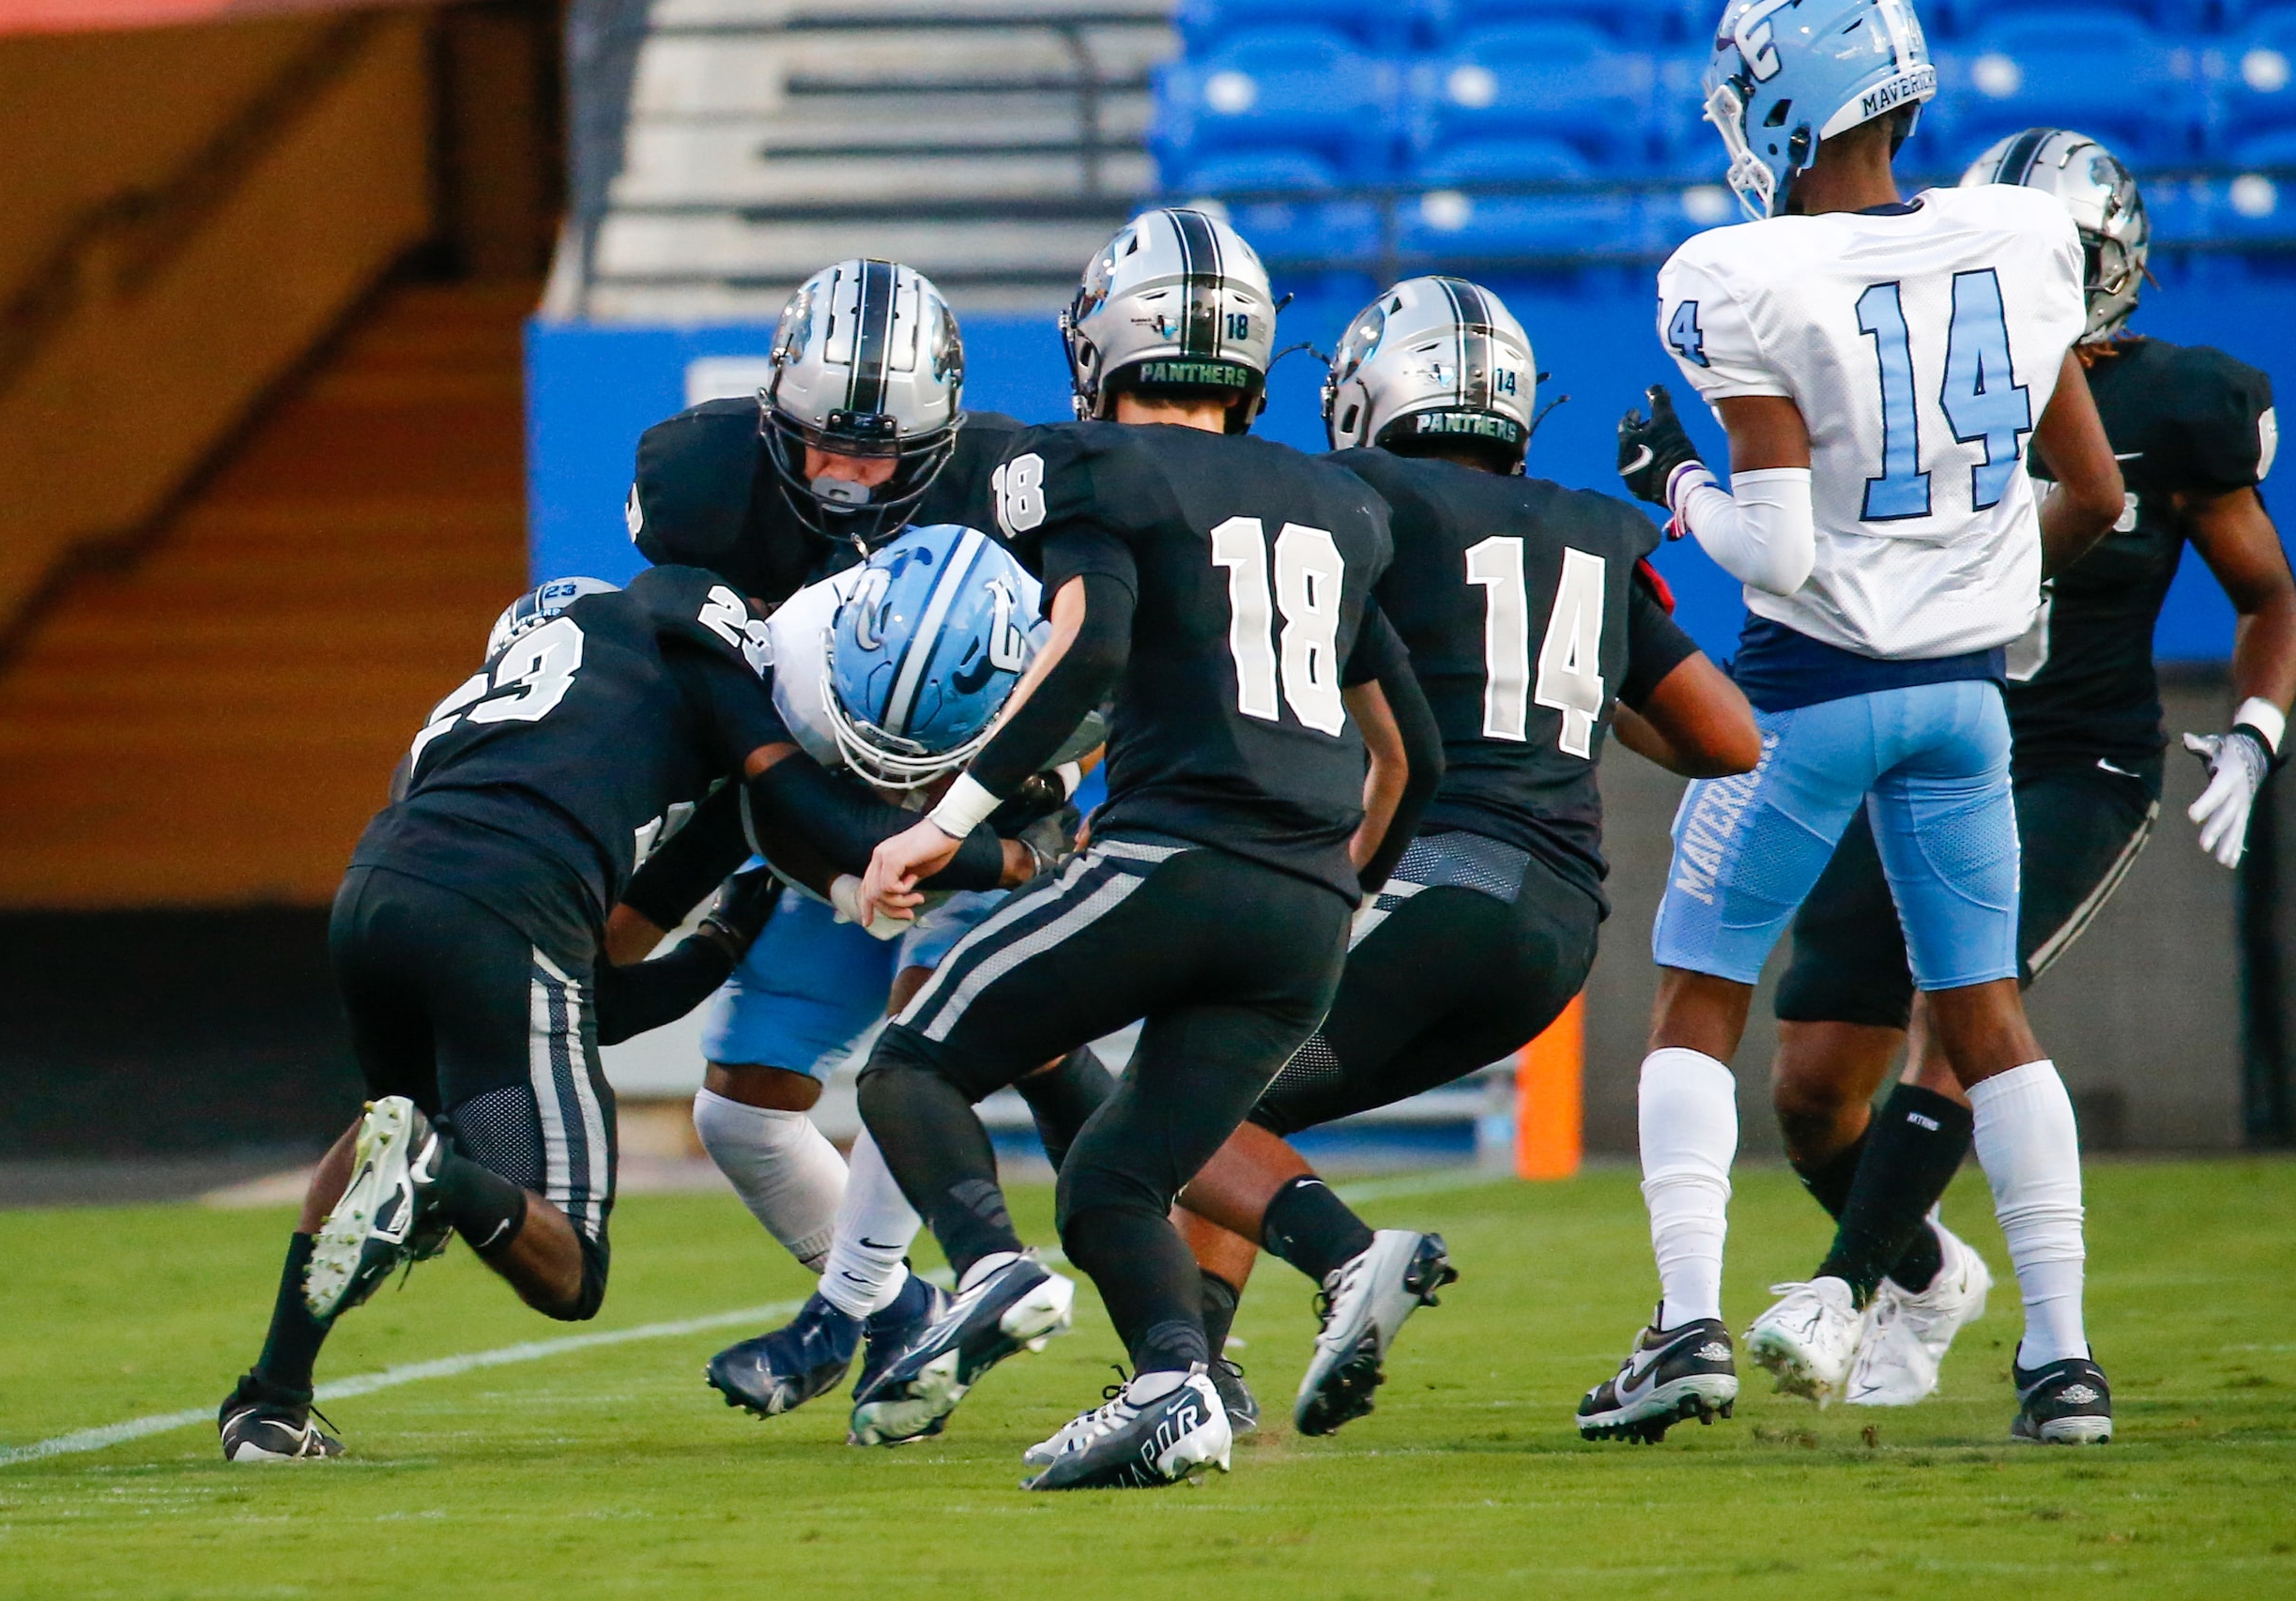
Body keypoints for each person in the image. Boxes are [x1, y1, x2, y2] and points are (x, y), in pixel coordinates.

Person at [1577, 0, 2129, 1448]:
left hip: (1806, 697)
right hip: (1965, 703)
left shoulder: (1738, 272)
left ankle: (1687, 1323)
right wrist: (1981, 583)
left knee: (1695, 1000)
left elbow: (1777, 542)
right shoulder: (2020, 235)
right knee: (1989, 1021)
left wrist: (1671, 487)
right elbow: (2085, 491)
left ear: (1778, 101)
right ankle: (2061, 1362)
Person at [847, 206, 1444, 1489]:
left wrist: (939, 822)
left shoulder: (1084, 463)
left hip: (1174, 859)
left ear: (1107, 339)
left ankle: (989, 1272)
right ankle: (1176, 1383)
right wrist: (1336, 896)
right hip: (1300, 906)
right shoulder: (1337, 498)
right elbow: (1410, 758)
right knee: (1115, 1172)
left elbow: (1091, 644)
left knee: (907, 1062)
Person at [214, 568, 1033, 1461]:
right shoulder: (717, 674)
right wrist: (1015, 858)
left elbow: (580, 998)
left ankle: (272, 1400)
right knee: (565, 1267)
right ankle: (435, 1176)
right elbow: (589, 979)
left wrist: (709, 952)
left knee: (396, 1128)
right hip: (506, 909)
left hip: (372, 896)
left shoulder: (491, 708)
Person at [1757, 128, 2296, 1410]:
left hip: (2073, 757)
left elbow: (2267, 599)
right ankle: (1925, 1272)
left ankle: (1897, 1310)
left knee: (1965, 1003)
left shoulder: (2172, 406)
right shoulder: (1912, 371)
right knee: (1805, 1092)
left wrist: (2254, 731)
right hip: (1913, 739)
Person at [1166, 277, 1761, 1440]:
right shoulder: (1587, 528)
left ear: (1370, 397)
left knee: (1167, 1097)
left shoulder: (1357, 499)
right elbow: (1724, 737)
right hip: (1553, 937)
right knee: (1236, 1094)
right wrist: (1578, 694)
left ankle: (1335, 1272)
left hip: (1442, 879)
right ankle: (1199, 1365)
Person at [684, 524, 1107, 1419]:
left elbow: (1065, 788)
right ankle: (902, 1310)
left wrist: (1016, 834)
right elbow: (772, 802)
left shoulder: (1067, 681)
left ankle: (841, 1312)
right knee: (736, 1114)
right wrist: (843, 876)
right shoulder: (795, 655)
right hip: (826, 853)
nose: (894, 782)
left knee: (918, 1051)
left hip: (971, 845)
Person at [624, 257, 1041, 603]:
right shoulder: (703, 465)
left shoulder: (1000, 477)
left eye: (873, 452)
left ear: (926, 444)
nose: (840, 471)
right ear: (779, 420)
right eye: (820, 439)